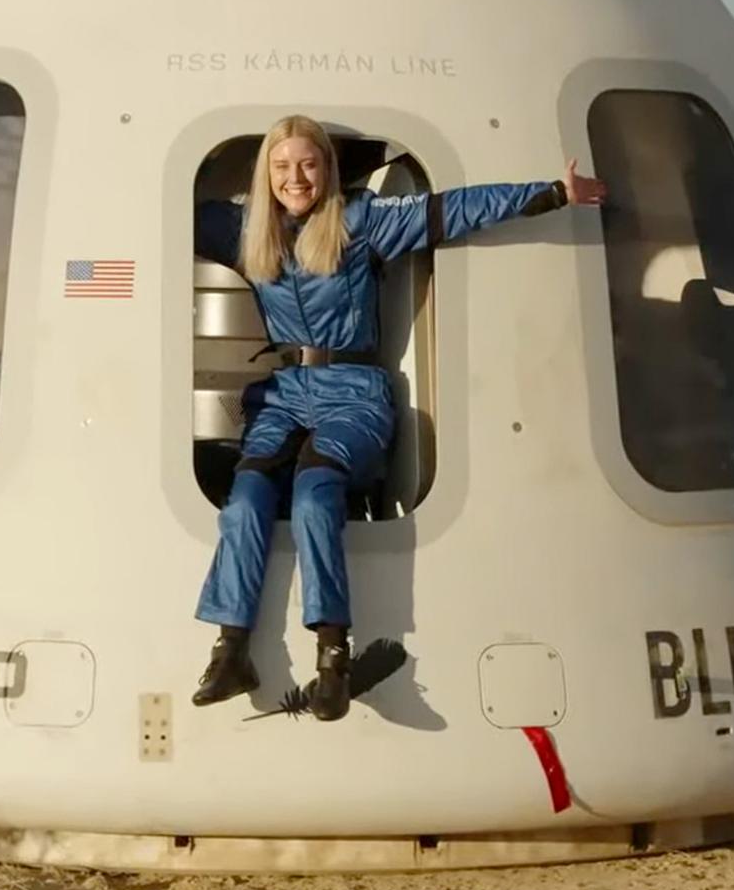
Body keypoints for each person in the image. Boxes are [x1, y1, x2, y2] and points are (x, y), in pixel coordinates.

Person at [190, 114, 606, 720]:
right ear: (266, 175)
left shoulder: (359, 222)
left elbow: (451, 211)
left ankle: (333, 655)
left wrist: (551, 194)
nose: (295, 178)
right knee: (248, 497)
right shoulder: (246, 230)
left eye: (308, 164)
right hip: (285, 392)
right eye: (281, 167)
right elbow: (152, 203)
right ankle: (232, 650)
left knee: (314, 492)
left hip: (353, 390)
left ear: (327, 169)